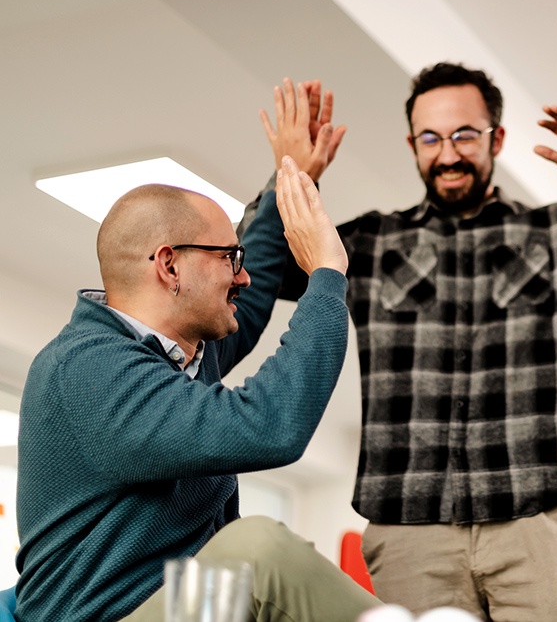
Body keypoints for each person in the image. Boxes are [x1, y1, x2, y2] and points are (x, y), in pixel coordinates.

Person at [239, 63, 557, 621]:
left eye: (464, 135)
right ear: (412, 145)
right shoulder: (366, 245)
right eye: (430, 138)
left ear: (496, 139)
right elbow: (250, 272)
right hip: (410, 530)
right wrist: (291, 177)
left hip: (537, 523)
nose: (448, 153)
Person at [16, 157, 381, 621]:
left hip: (182, 605)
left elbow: (253, 297)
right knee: (256, 552)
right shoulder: (88, 366)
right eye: (229, 258)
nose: (242, 276)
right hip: (108, 617)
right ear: (170, 266)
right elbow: (270, 425)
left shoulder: (182, 359)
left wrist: (283, 183)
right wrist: (327, 274)